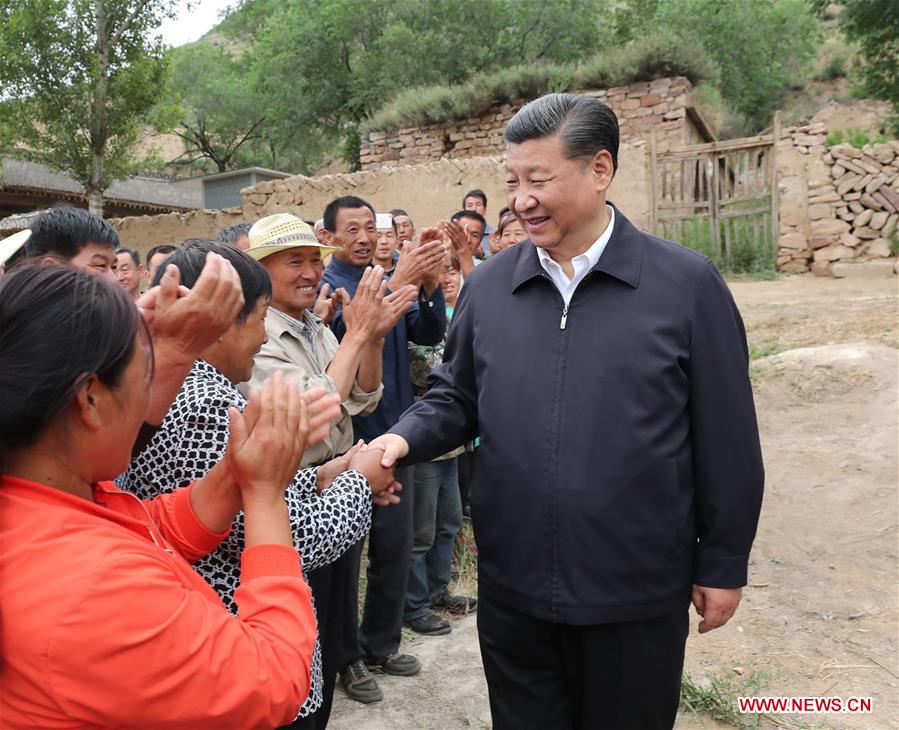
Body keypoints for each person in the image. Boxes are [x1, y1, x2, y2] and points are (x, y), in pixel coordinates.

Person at [372, 93, 765, 729]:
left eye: (539, 179)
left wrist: (723, 561)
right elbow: (455, 395)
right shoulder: (491, 286)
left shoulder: (684, 285)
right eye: (511, 180)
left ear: (600, 170)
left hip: (634, 590)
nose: (521, 199)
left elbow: (728, 438)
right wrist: (400, 440)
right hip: (516, 586)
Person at [0, 263, 339, 728]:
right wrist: (264, 493)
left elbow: (148, 529)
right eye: (145, 378)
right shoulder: (94, 589)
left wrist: (233, 474)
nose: (152, 402)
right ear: (90, 400)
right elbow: (272, 679)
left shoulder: (42, 490)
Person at [117, 239, 399, 727]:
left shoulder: (184, 387)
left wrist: (316, 477)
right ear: (222, 320)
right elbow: (285, 538)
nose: (263, 339)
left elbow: (236, 496)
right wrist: (358, 482)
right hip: (240, 648)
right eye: (258, 320)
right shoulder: (207, 404)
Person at [244, 213, 418, 727]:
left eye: (313, 261)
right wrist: (358, 332)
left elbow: (361, 398)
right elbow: (313, 407)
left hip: (333, 483)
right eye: (292, 262)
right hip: (293, 497)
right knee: (298, 627)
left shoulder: (314, 326)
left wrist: (374, 337)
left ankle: (330, 682)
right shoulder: (259, 337)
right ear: (260, 272)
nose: (308, 273)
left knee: (334, 604)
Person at [321, 195, 446, 704]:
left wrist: (430, 287)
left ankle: (381, 643)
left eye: (370, 227)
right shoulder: (327, 289)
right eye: (352, 228)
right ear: (329, 236)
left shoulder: (380, 278)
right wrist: (398, 284)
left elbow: (427, 332)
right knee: (345, 558)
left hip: (395, 436)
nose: (365, 237)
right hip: (347, 450)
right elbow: (342, 352)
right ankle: (346, 658)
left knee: (394, 548)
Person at [404, 253, 476, 637]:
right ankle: (414, 605)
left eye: (450, 271)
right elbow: (426, 373)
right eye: (438, 272)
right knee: (421, 532)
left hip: (452, 445)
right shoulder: (414, 316)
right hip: (424, 438)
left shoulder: (455, 315)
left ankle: (438, 591)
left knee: (447, 523)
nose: (446, 278)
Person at [463, 189, 495, 254]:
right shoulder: (457, 234)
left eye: (478, 205)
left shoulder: (494, 233)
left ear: (485, 209)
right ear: (464, 211)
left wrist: (483, 253)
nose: (474, 209)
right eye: (469, 205)